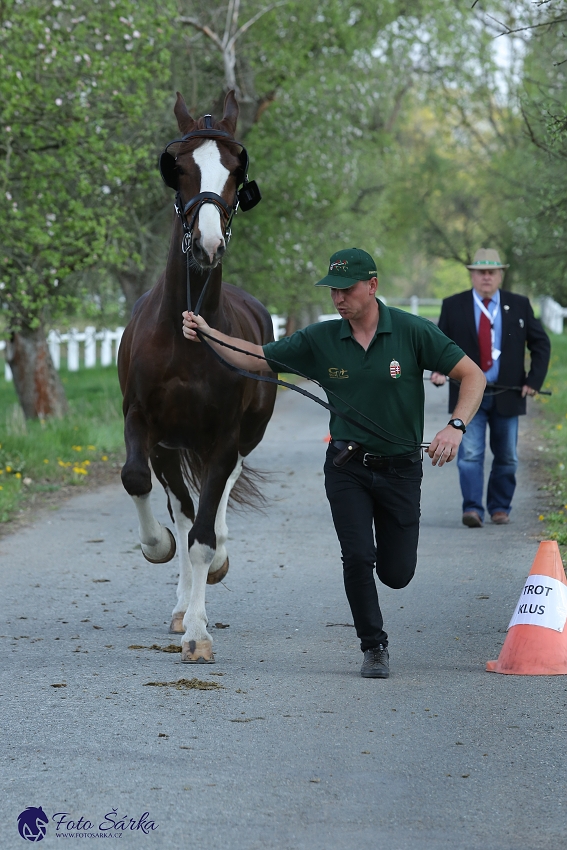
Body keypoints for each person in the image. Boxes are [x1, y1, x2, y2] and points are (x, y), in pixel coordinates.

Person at [183, 248, 485, 679]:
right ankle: (373, 646)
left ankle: (385, 579)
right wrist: (209, 333)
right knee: (357, 556)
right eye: (332, 291)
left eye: (346, 290)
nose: (338, 299)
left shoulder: (412, 331)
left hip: (401, 469)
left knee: (398, 574)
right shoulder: (320, 340)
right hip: (347, 467)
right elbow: (257, 356)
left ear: (372, 286)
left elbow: (473, 375)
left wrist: (455, 425)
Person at [430, 248, 550, 528]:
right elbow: (438, 344)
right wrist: (438, 368)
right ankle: (472, 508)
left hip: (507, 393)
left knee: (507, 455)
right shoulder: (453, 304)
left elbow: (540, 343)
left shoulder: (519, 304)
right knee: (470, 453)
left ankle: (499, 507)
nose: (486, 277)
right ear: (472, 274)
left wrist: (533, 381)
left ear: (500, 275)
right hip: (467, 396)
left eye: (491, 272)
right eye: (480, 272)